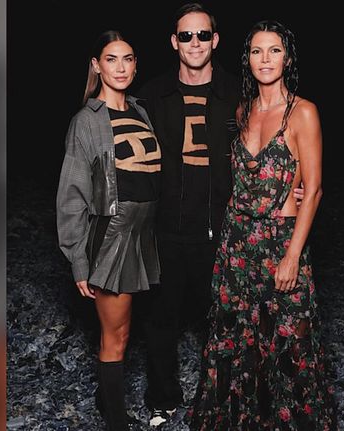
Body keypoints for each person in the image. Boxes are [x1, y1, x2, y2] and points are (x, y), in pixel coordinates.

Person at [188, 20, 335, 430]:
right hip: (237, 244)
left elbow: (314, 189)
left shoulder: (303, 112)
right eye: (256, 51)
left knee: (289, 343)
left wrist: (292, 256)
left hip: (280, 241)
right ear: (247, 59)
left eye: (274, 50)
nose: (265, 59)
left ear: (287, 58)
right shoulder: (243, 110)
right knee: (236, 342)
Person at [136, 3, 240, 427]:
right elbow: (125, 154)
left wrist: (296, 185)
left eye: (202, 35)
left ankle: (224, 401)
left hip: (222, 230)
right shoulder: (151, 95)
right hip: (165, 229)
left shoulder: (238, 93)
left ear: (215, 40)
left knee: (224, 322)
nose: (194, 43)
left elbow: (273, 142)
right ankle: (163, 398)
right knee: (160, 320)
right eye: (186, 35)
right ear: (173, 42)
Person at [56, 30, 160, 431]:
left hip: (143, 232)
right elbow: (71, 195)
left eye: (128, 59)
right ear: (96, 66)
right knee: (115, 336)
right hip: (112, 235)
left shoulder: (140, 111)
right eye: (111, 59)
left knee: (126, 331)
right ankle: (116, 422)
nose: (120, 67)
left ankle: (106, 400)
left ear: (136, 66)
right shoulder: (86, 121)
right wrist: (78, 260)